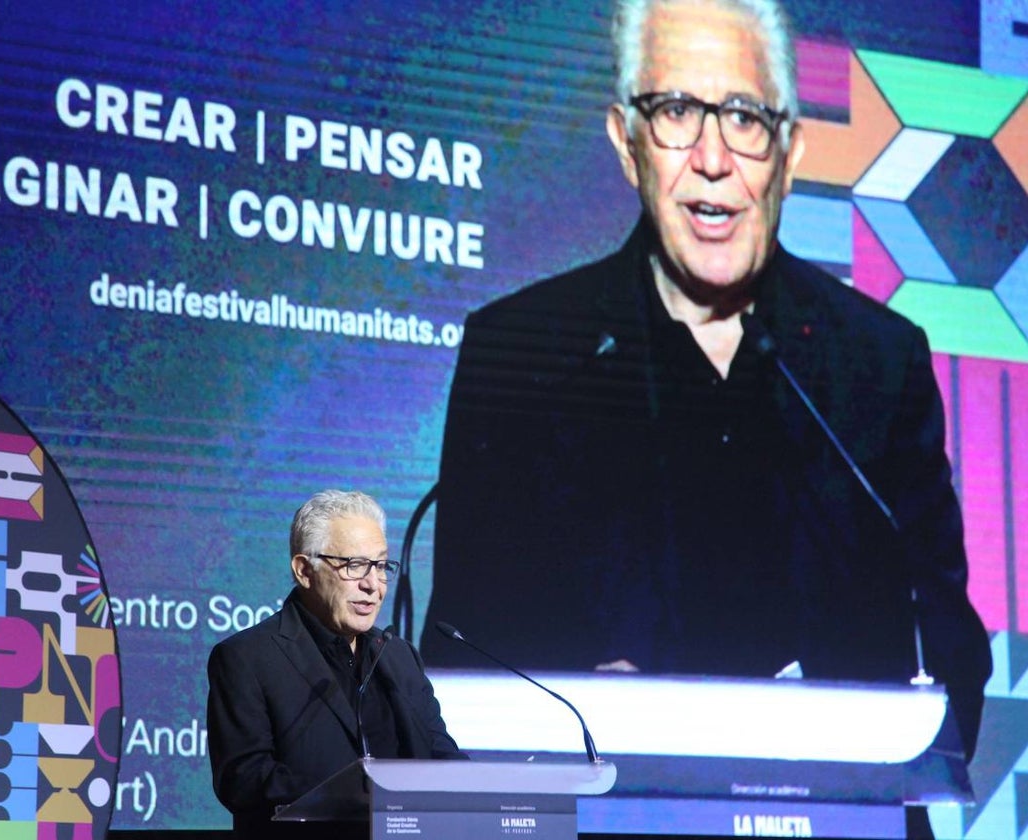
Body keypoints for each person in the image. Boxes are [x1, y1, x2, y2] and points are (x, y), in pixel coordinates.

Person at [421, 0, 991, 765]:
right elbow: (462, 667)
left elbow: (950, 651)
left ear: (789, 152)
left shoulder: (877, 366)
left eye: (746, 118)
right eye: (678, 111)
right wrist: (587, 716)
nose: (713, 158)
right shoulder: (523, 354)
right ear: (627, 144)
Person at [207, 490, 465, 839]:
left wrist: (490, 787)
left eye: (381, 566)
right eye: (354, 565)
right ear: (304, 570)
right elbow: (244, 780)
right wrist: (360, 793)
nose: (372, 584)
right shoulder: (248, 657)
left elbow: (439, 755)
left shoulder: (400, 657)